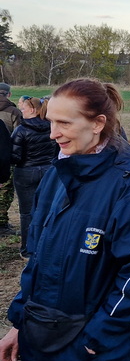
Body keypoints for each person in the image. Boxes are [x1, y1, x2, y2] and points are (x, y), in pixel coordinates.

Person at [0, 78, 130, 361]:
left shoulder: (129, 183)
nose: (53, 134)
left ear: (97, 123)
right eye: (50, 121)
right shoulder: (57, 174)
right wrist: (20, 324)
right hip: (40, 343)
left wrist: (96, 340)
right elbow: (38, 260)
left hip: (93, 356)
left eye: (64, 123)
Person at [11, 96, 57, 258]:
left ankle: (27, 249)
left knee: (27, 213)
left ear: (33, 110)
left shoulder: (21, 130)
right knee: (48, 209)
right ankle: (46, 246)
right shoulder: (51, 127)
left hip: (26, 173)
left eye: (24, 107)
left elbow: (16, 157)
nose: (21, 109)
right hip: (48, 171)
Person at [0, 82, 22, 235]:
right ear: (8, 94)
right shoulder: (14, 111)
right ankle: (2, 224)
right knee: (5, 191)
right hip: (6, 157)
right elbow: (19, 136)